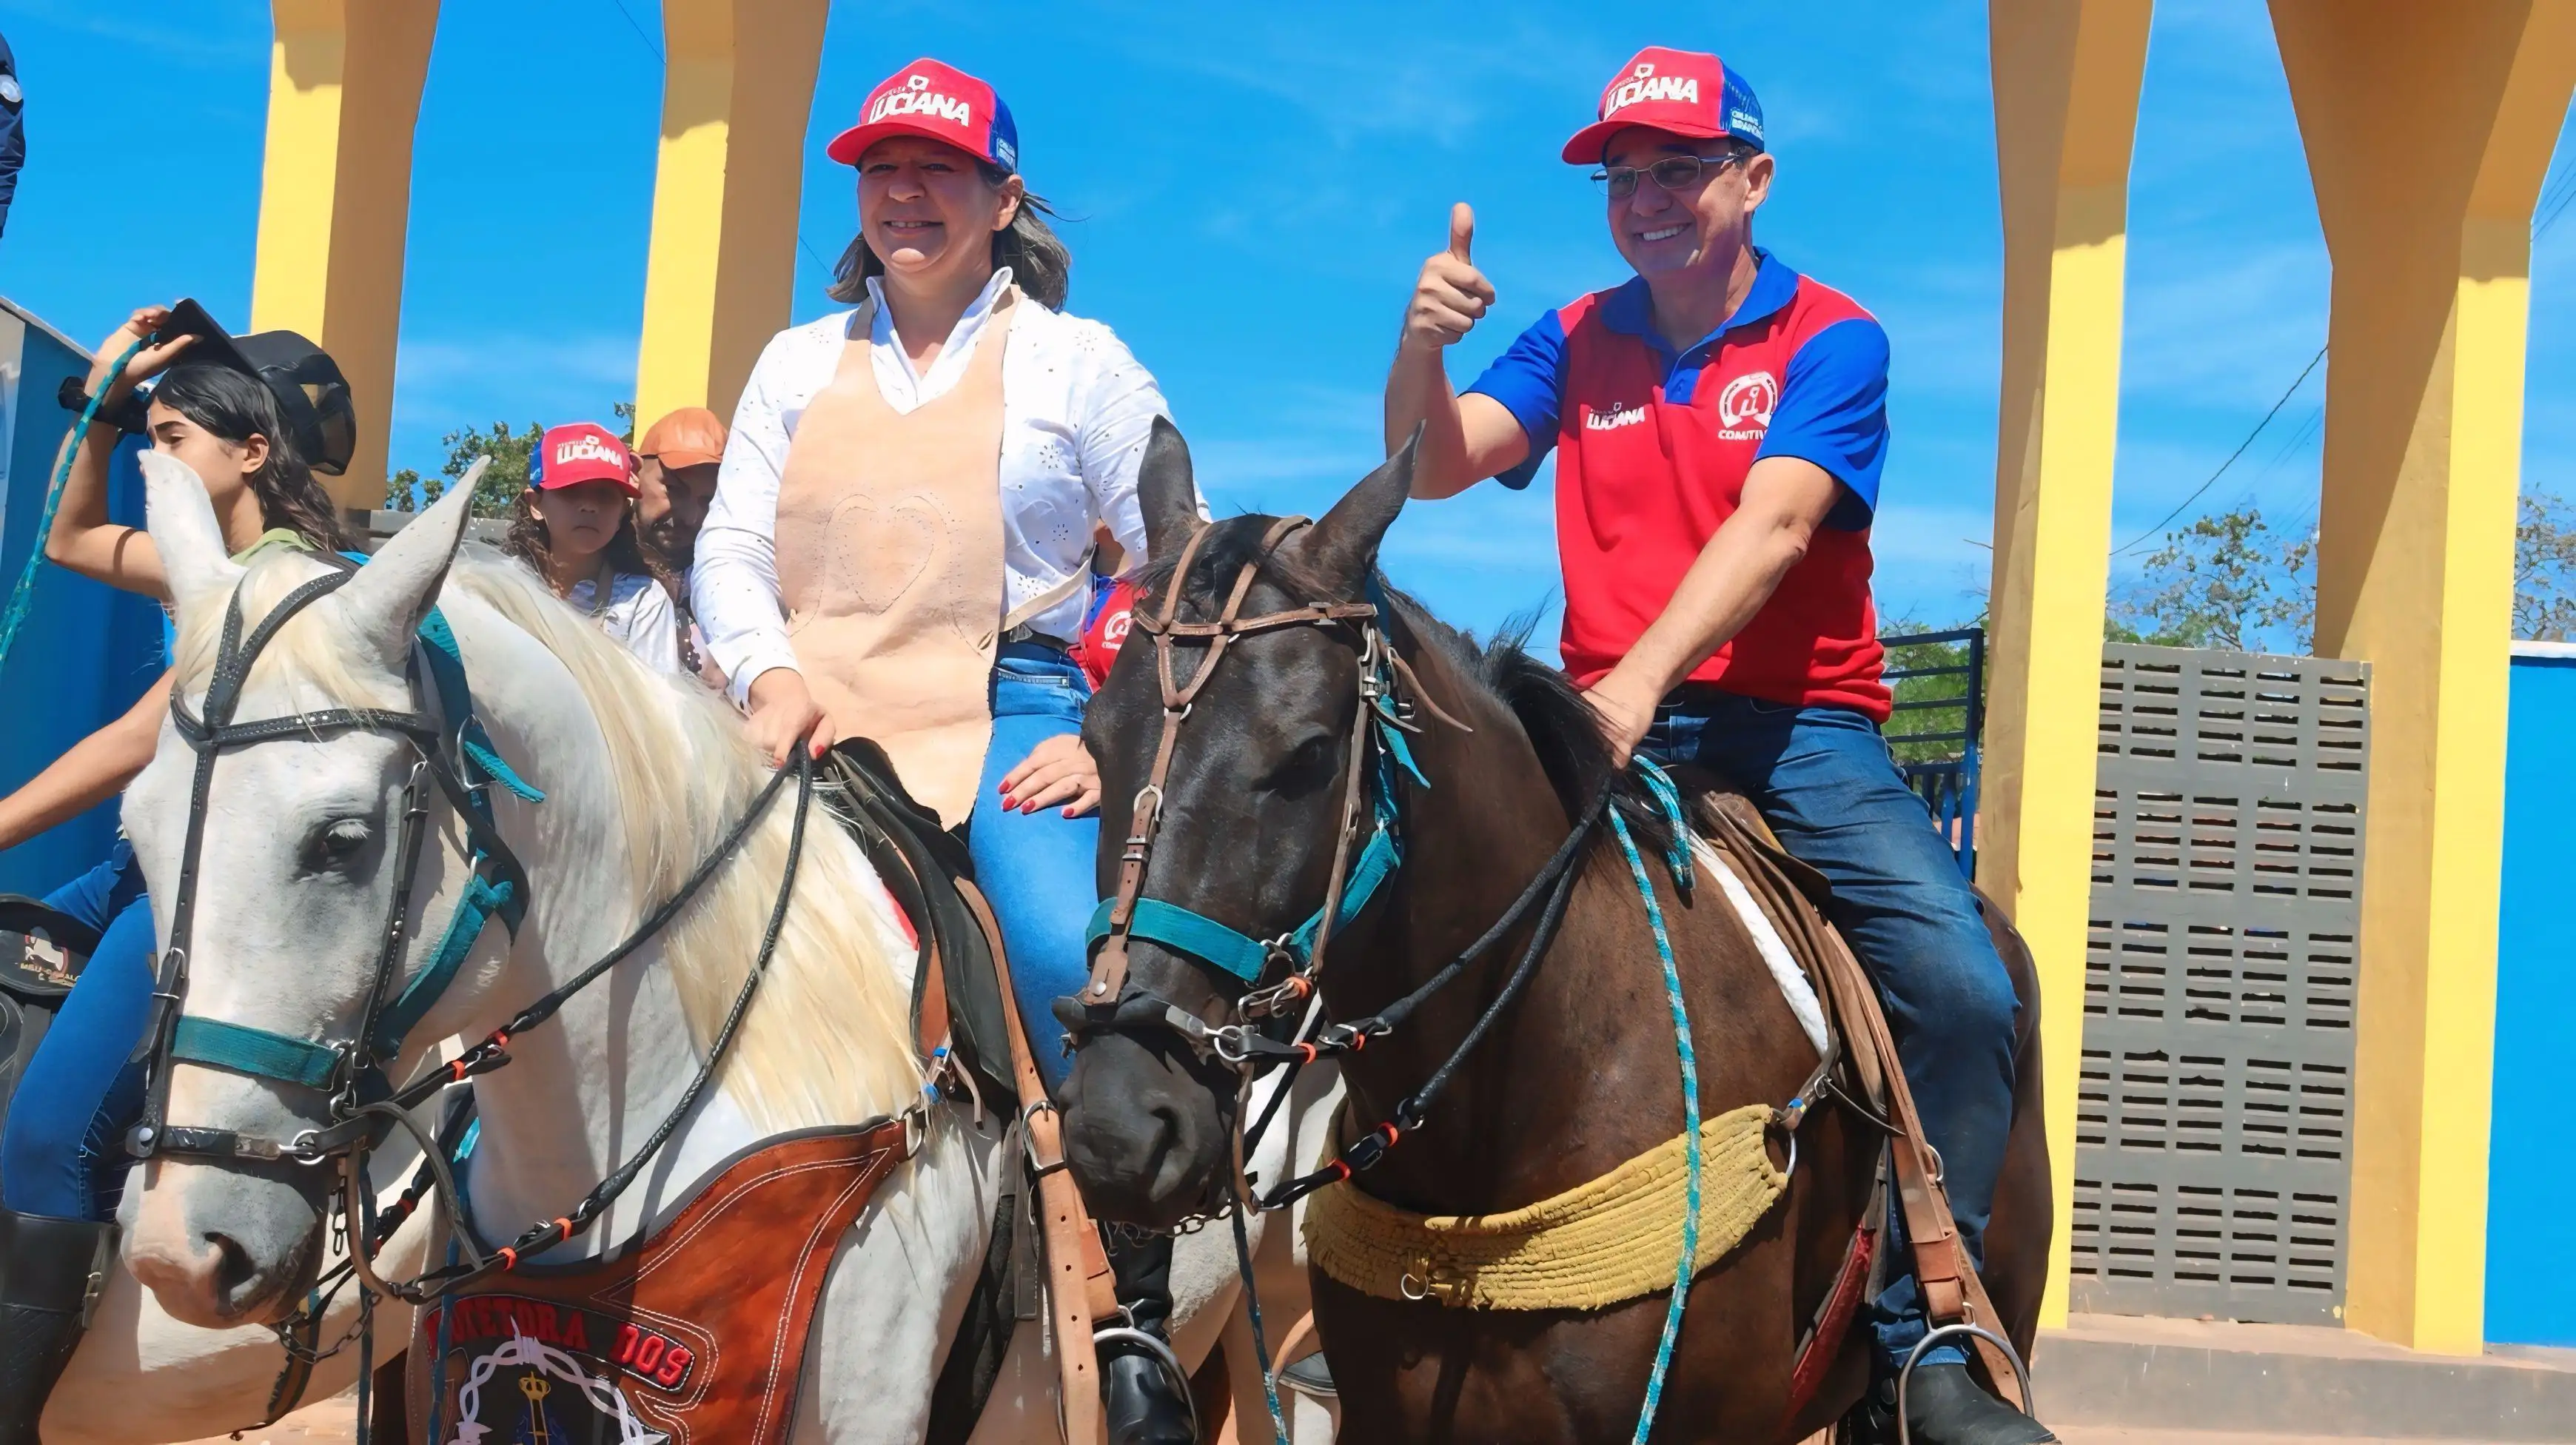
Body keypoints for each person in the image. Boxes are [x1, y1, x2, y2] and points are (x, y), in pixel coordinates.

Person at [1381, 47, 2047, 1445]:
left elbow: (1777, 525)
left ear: (1754, 177)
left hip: (1798, 735)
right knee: (1391, 913)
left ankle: (1932, 1340)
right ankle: (1376, 1284)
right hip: (1598, 723)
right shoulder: (1573, 333)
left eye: (1679, 168)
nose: (1647, 199)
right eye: (1624, 177)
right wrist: (1422, 344)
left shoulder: (1835, 338)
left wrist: (1632, 689)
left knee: (1963, 982)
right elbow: (1435, 463)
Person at [690, 57, 1191, 1444]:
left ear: (1000, 196)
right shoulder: (796, 359)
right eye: (882, 169)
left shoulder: (1077, 363)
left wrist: (1108, 732)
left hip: (1009, 709)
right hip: (809, 707)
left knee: (1057, 955)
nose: (906, 193)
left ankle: (1131, 1308)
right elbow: (730, 545)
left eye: (940, 171)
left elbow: (1177, 565)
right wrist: (768, 669)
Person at [0, 304, 356, 1441]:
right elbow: (68, 542)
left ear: (256, 450)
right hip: (134, 869)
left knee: (48, 1137)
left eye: (174, 440)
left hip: (200, 896)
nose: (155, 458)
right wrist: (102, 421)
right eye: (150, 436)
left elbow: (129, 742)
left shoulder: (284, 585)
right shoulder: (204, 564)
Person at [505, 421, 685, 677]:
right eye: (571, 490)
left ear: (623, 509)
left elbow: (658, 707)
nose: (589, 506)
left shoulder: (643, 602)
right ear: (536, 504)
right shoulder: (502, 589)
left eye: (605, 494)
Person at [634, 405, 728, 684]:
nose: (690, 516)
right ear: (635, 473)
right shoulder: (589, 566)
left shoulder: (728, 584)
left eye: (707, 500)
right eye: (673, 490)